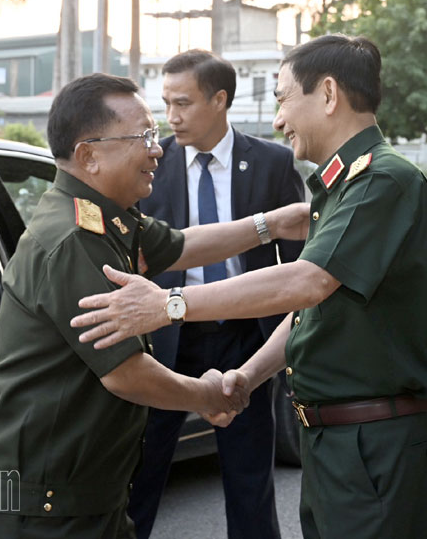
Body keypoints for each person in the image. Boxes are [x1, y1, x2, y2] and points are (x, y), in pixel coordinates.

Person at [71, 35, 427, 539]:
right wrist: (247, 377)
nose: (277, 119)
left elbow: (305, 281)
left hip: (371, 440)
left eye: (282, 98)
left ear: (330, 95)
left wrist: (169, 304)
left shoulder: (381, 181)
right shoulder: (341, 188)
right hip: (338, 438)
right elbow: (310, 312)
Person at [0, 73, 308, 539]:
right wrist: (207, 395)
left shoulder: (107, 214)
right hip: (45, 495)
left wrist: (275, 223)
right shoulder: (74, 240)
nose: (158, 148)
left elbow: (182, 245)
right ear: (89, 154)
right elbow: (125, 372)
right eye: (143, 136)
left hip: (77, 484)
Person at [128, 50, 305, 539]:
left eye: (183, 103)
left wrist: (287, 344)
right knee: (141, 480)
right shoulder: (151, 164)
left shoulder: (271, 162)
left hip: (244, 338)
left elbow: (297, 267)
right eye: (166, 103)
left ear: (220, 99)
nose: (172, 116)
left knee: (249, 484)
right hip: (164, 340)